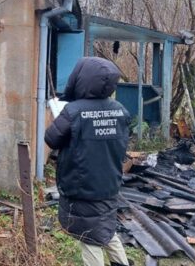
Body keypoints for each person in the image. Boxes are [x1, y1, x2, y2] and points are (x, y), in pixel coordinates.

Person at [45, 57, 131, 266]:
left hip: (81, 186)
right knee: (105, 227)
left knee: (89, 237)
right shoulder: (121, 110)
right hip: (110, 183)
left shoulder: (73, 112)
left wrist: (62, 116)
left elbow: (51, 138)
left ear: (80, 79)